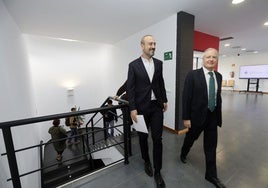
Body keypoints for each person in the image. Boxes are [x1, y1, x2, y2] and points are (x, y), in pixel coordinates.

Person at [180, 48, 226, 188]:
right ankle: (183, 153)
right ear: (203, 59)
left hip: (212, 116)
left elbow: (217, 96)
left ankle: (211, 175)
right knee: (190, 138)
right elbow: (186, 97)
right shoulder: (193, 75)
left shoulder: (218, 76)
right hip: (196, 117)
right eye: (208, 57)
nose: (211, 59)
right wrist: (186, 118)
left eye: (214, 57)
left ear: (216, 60)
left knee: (211, 146)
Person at [127, 35, 168, 188]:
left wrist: (164, 99)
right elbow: (130, 89)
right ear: (142, 45)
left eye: (154, 44)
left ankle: (158, 171)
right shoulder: (133, 65)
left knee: (158, 139)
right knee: (143, 137)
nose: (153, 46)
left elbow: (160, 82)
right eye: (150, 44)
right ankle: (146, 161)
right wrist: (132, 108)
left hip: (156, 107)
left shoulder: (159, 63)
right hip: (140, 109)